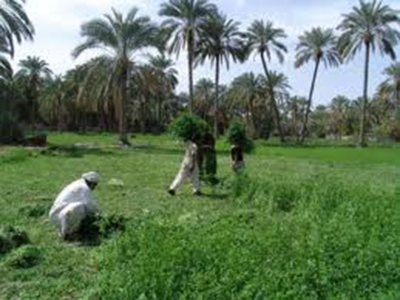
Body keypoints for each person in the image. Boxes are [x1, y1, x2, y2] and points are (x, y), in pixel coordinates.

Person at [49, 172, 100, 240]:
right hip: (59, 214)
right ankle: (70, 234)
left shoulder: (78, 184)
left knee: (82, 208)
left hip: (58, 214)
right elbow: (89, 204)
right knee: (79, 207)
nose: (94, 188)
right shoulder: (84, 187)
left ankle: (68, 230)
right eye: (95, 185)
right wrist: (98, 215)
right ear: (91, 183)